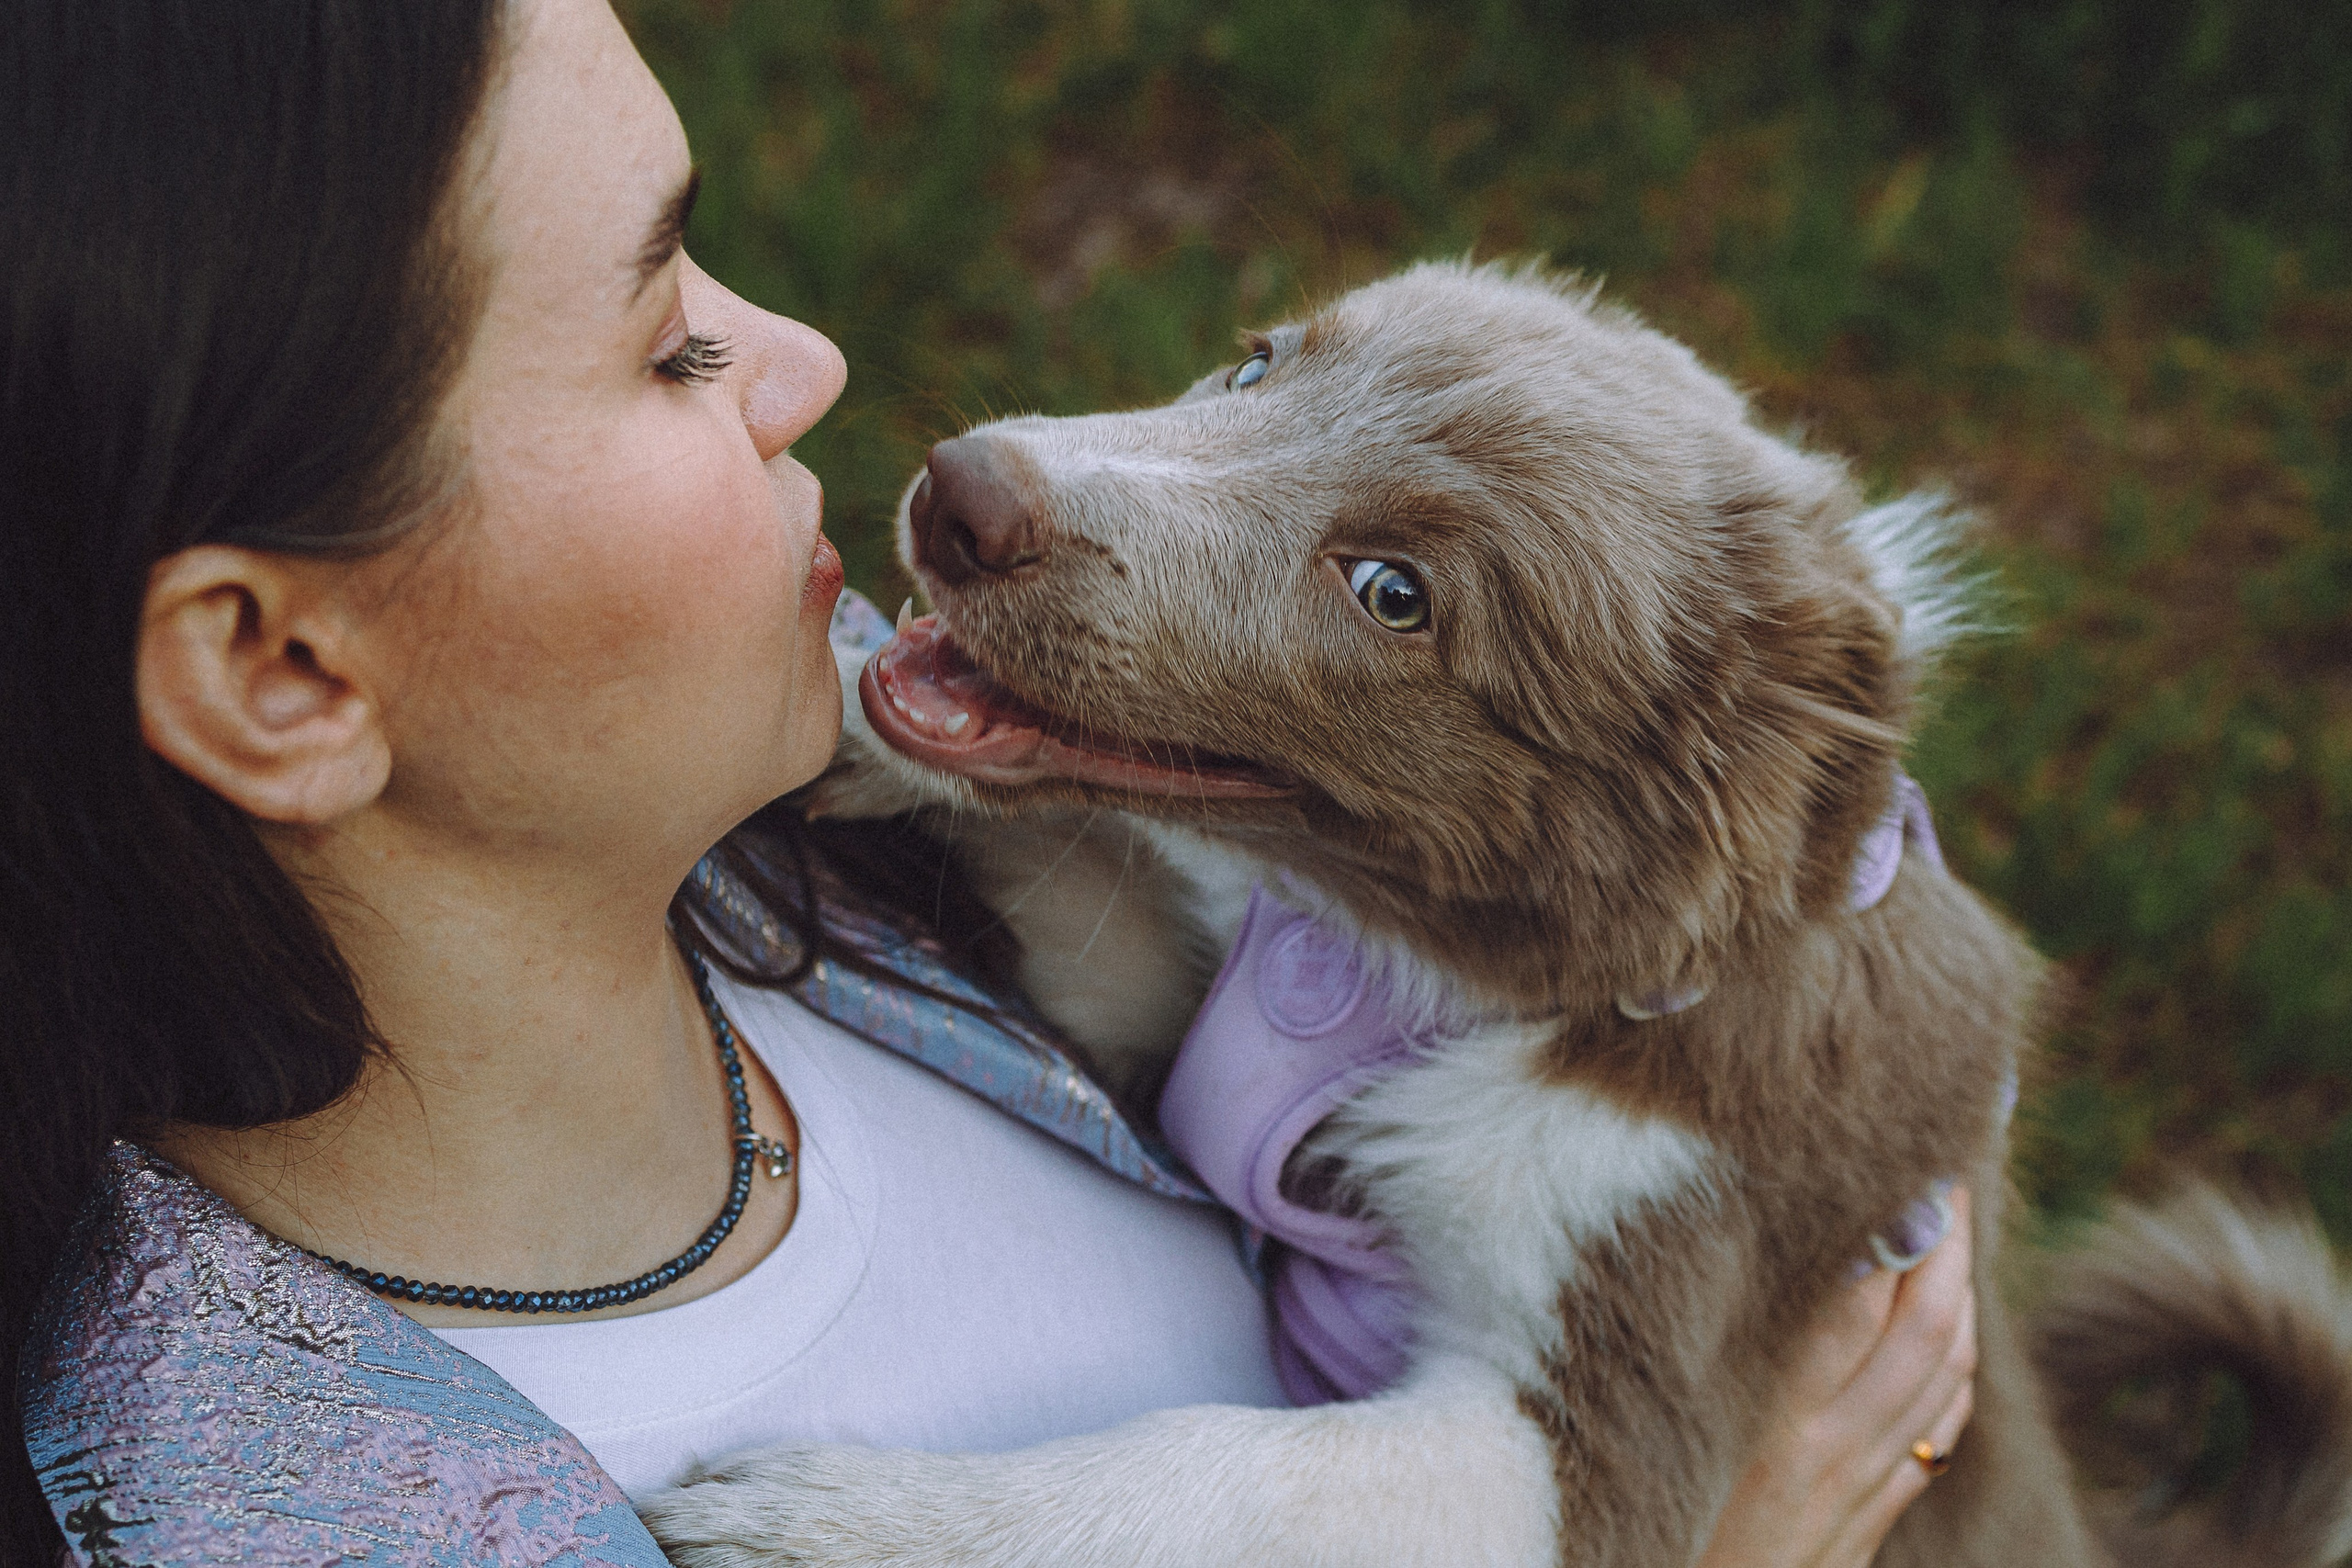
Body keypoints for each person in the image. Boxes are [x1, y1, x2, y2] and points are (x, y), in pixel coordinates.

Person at [0, 0, 1976, 1562]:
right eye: (664, 345)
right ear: (284, 672)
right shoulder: (342, 1501)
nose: (809, 358)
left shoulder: (773, 796)